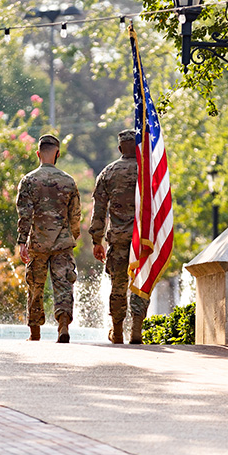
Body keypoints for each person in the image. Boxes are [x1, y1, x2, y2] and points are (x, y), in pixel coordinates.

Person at [16, 134, 81, 343]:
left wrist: (21, 241)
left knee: (35, 286)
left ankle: (35, 333)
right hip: (62, 242)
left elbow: (24, 214)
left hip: (37, 242)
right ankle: (63, 326)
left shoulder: (28, 180)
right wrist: (73, 235)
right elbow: (75, 214)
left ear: (38, 154)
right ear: (58, 154)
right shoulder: (68, 181)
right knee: (63, 285)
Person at [89, 129, 149, 344]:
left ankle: (117, 330)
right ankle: (137, 330)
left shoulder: (108, 173)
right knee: (141, 282)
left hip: (118, 239)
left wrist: (96, 240)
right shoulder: (148, 172)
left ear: (119, 148)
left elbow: (99, 210)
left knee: (118, 286)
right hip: (143, 240)